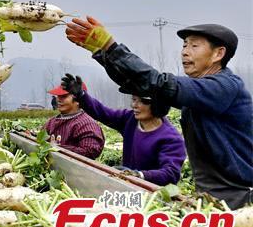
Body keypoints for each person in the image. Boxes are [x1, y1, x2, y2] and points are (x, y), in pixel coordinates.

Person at [66, 17, 252, 209]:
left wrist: (111, 47)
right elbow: (142, 85)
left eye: (194, 46)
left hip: (237, 196)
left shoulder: (225, 87)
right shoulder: (200, 92)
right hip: (210, 195)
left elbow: (160, 84)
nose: (185, 52)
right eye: (184, 45)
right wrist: (103, 53)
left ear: (218, 53)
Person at [60, 74, 186, 186]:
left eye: (141, 101)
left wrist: (139, 175)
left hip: (152, 194)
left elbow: (170, 173)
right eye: (134, 99)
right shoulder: (130, 120)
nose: (134, 105)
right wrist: (82, 96)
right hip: (126, 186)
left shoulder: (170, 138)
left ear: (157, 105)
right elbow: (103, 113)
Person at [44, 80, 105, 159]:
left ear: (78, 100)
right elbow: (42, 138)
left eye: (64, 96)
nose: (58, 100)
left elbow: (90, 151)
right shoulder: (51, 122)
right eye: (58, 96)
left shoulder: (87, 124)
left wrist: (59, 148)